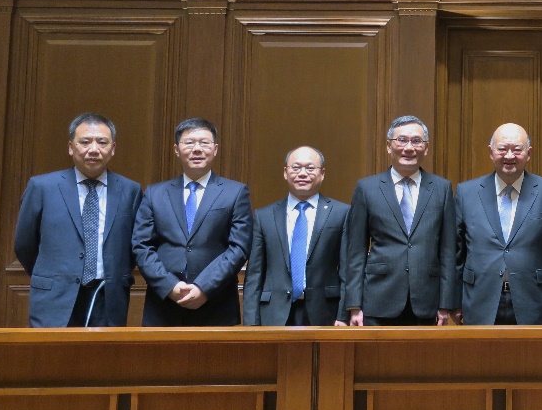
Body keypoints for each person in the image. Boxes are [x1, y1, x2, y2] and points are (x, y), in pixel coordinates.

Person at [13, 113, 144, 327]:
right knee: (53, 357)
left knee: (103, 359)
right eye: (85, 142)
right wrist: (54, 275)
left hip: (107, 296)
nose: (94, 149)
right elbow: (24, 243)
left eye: (102, 142)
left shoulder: (130, 190)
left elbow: (134, 246)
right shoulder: (42, 187)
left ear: (113, 149)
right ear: (71, 147)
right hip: (54, 297)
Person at [132, 118, 253, 326]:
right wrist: (171, 286)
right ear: (177, 149)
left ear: (215, 149)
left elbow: (239, 247)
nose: (197, 149)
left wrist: (204, 287)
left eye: (204, 143)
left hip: (216, 303)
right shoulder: (155, 193)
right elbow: (141, 246)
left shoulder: (235, 192)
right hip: (164, 305)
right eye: (189, 143)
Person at [341, 116, 456, 326]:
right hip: (378, 298)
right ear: (388, 146)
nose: (409, 148)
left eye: (416, 141)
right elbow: (355, 251)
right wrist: (354, 305)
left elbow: (448, 251)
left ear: (426, 148)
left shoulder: (442, 189)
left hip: (427, 302)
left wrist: (445, 303)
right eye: (401, 140)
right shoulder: (367, 188)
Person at [454, 123, 542, 325]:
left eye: (517, 149)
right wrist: (452, 302)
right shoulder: (466, 193)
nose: (509, 156)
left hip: (534, 300)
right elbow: (456, 253)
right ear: (491, 152)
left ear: (528, 153)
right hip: (479, 299)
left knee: (531, 357)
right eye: (502, 149)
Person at [244, 146, 350, 326]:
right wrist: (251, 323)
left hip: (326, 312)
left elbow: (348, 270)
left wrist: (343, 315)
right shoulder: (264, 216)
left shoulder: (341, 213)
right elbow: (254, 273)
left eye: (310, 168)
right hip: (273, 312)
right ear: (285, 172)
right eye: (296, 167)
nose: (302, 173)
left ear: (322, 173)